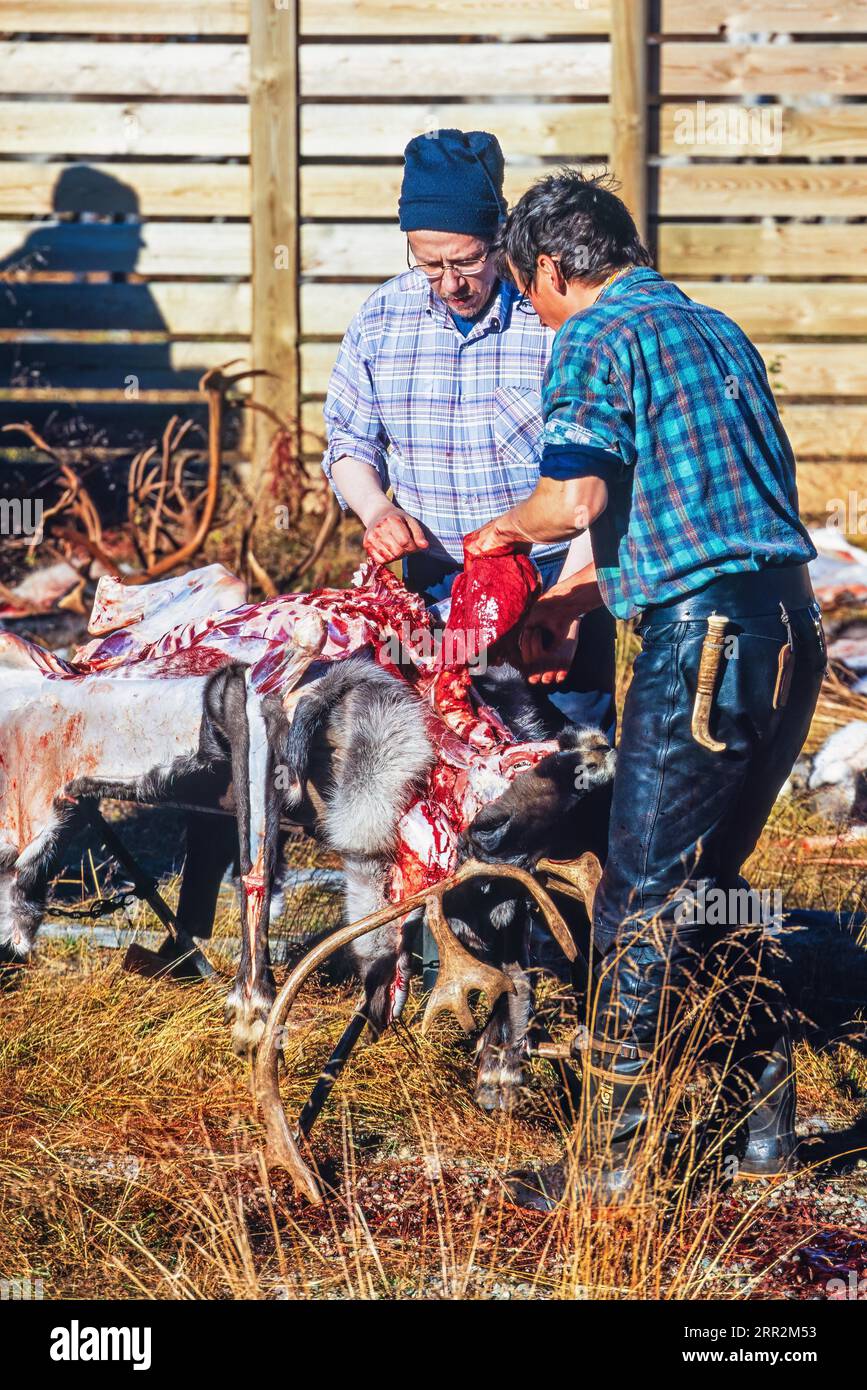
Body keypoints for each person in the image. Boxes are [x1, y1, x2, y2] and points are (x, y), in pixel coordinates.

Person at [467, 170, 826, 1208]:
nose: (529, 314)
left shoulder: (594, 337)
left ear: (547, 267)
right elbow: (701, 509)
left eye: (526, 290)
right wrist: (581, 601)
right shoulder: (711, 328)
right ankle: (764, 1119)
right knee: (706, 878)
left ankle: (613, 1160)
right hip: (786, 630)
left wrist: (502, 533)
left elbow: (572, 494)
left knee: (637, 898)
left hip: (704, 646)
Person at [321, 129, 615, 735]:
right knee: (450, 764)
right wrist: (377, 511)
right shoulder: (381, 318)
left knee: (569, 765)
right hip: (431, 585)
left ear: (501, 238)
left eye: (466, 260)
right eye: (429, 264)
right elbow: (349, 443)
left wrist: (572, 607)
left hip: (552, 582)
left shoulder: (553, 317)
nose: (450, 282)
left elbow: (604, 469)